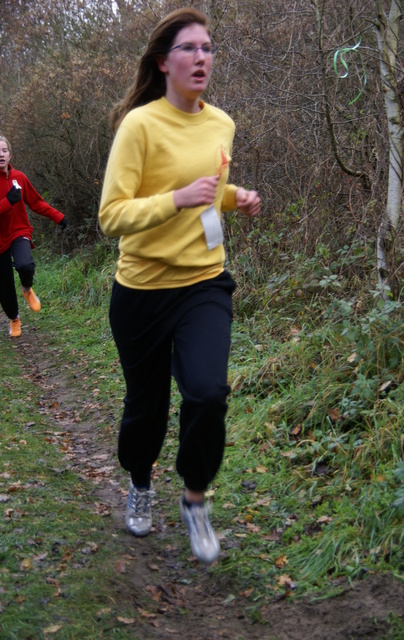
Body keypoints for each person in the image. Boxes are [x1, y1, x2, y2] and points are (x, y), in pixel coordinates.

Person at [98, 7, 260, 564]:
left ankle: (195, 497)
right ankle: (140, 483)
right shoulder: (139, 126)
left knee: (208, 392)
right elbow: (111, 215)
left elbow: (210, 189)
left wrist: (234, 198)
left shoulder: (222, 124)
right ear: (164, 62)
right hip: (141, 290)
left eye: (208, 48)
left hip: (203, 284)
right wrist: (176, 200)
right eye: (190, 48)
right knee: (148, 407)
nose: (202, 58)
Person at [0, 136, 67, 338]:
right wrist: (8, 201)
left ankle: (27, 289)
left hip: (19, 231)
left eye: (3, 150)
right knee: (3, 285)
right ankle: (14, 319)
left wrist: (58, 217)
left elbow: (36, 203)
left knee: (25, 265)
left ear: (10, 154)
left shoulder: (19, 178)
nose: (0, 155)